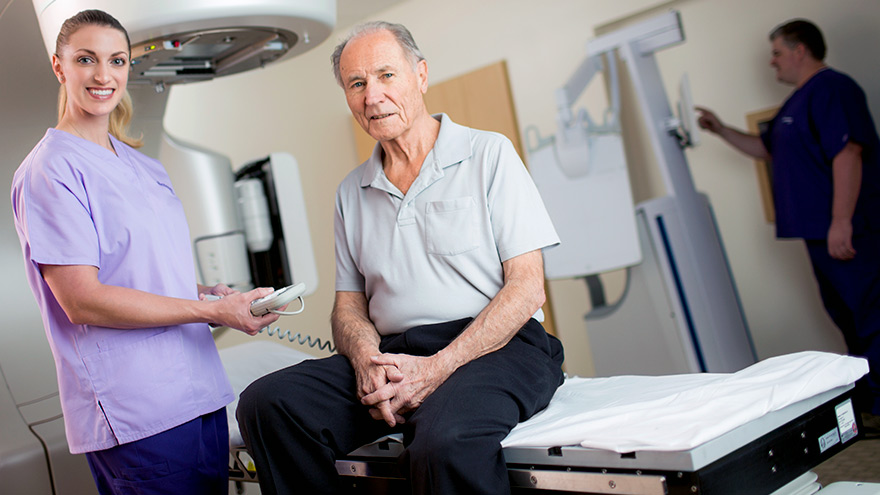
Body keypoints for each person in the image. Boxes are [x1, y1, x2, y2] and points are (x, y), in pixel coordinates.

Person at [236, 21, 565, 494]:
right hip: (395, 353)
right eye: (357, 83)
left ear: (421, 76)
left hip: (496, 346)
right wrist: (369, 360)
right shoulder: (352, 192)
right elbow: (348, 306)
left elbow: (527, 287)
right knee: (267, 403)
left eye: (386, 75)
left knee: (443, 444)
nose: (372, 96)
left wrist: (436, 369)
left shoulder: (487, 154)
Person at [10, 9, 283, 494]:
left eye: (116, 60)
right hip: (137, 413)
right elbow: (82, 299)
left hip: (199, 393)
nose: (103, 75)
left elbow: (148, 273)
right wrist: (207, 308)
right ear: (59, 66)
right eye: (86, 59)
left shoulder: (145, 165)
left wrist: (213, 296)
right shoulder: (49, 171)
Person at [696, 19, 880, 421]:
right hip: (818, 235)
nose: (772, 62)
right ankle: (869, 404)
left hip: (849, 231)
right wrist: (720, 129)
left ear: (801, 50)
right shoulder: (795, 105)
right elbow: (766, 150)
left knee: (872, 318)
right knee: (848, 318)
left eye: (777, 52)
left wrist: (841, 221)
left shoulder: (833, 89)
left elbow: (848, 154)